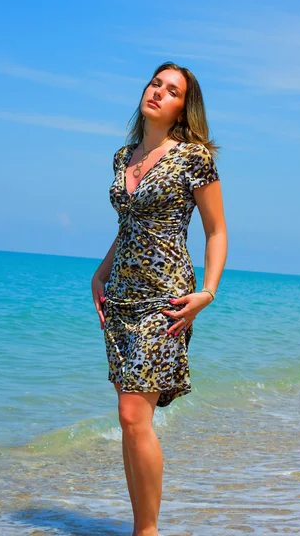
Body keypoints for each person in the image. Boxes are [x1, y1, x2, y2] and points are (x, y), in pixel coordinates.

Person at [91, 62, 228, 536]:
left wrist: (206, 292)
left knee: (134, 413)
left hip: (166, 297)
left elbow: (216, 230)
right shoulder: (122, 156)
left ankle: (147, 532)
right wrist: (101, 273)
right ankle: (139, 526)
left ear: (181, 109)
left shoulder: (193, 158)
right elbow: (128, 224)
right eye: (156, 84)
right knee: (131, 421)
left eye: (172, 91)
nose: (159, 93)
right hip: (121, 298)